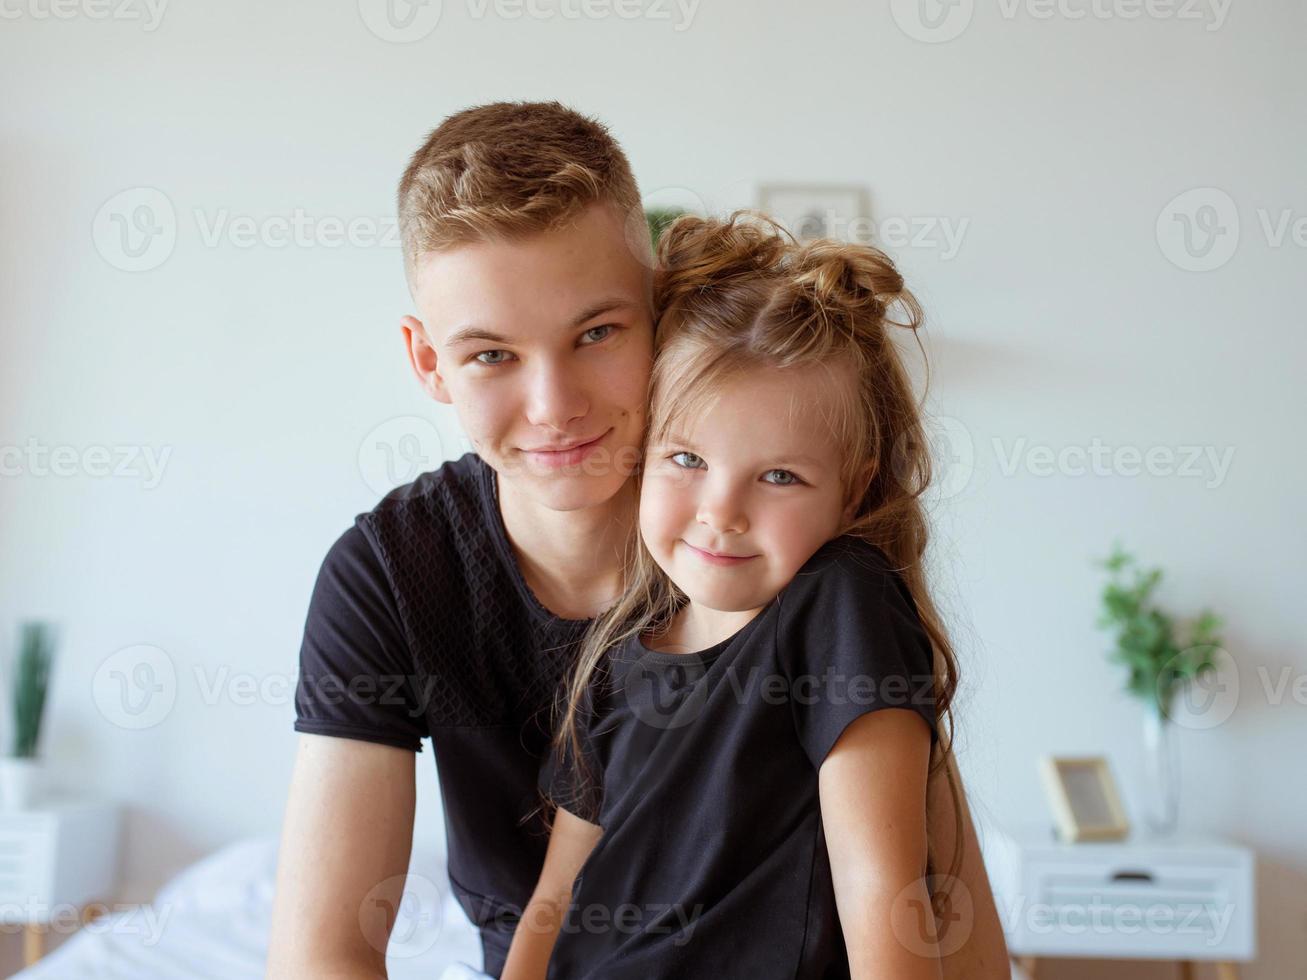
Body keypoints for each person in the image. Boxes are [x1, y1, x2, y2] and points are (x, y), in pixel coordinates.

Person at [266, 101, 1009, 980]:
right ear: (428, 362)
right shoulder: (390, 571)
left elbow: (930, 905)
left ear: (657, 306)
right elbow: (328, 954)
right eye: (490, 356)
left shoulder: (778, 552)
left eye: (595, 333)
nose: (554, 407)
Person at [500, 212, 951, 979]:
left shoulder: (839, 604)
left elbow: (885, 900)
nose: (721, 510)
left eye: (779, 476)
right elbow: (554, 901)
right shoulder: (613, 658)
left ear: (854, 490)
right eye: (686, 458)